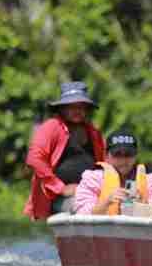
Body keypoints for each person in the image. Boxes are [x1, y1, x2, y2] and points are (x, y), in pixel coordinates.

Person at [24, 81, 105, 220]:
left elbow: (104, 164)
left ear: (87, 109)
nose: (77, 110)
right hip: (59, 198)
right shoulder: (52, 127)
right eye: (71, 106)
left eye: (81, 106)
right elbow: (34, 159)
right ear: (62, 108)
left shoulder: (94, 132)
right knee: (84, 207)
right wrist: (61, 188)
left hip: (92, 195)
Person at [74, 130, 152, 215]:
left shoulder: (151, 181)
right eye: (117, 154)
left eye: (128, 154)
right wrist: (107, 201)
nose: (123, 159)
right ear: (106, 156)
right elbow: (81, 213)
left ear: (136, 156)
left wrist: (142, 204)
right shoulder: (92, 179)